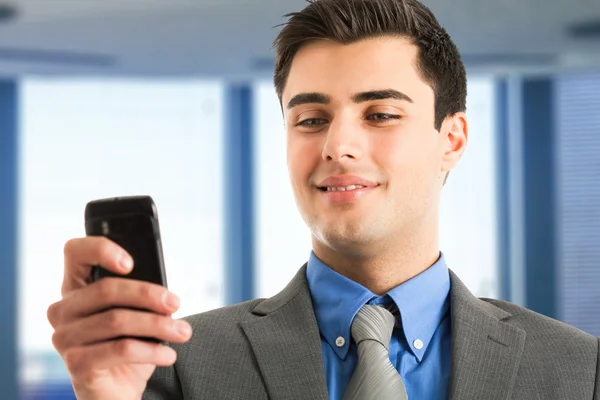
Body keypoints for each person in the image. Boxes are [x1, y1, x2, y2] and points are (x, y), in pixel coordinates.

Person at [47, 0, 600, 399]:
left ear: (450, 140)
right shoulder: (179, 369)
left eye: (380, 114)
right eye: (311, 119)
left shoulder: (578, 370)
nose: (337, 145)